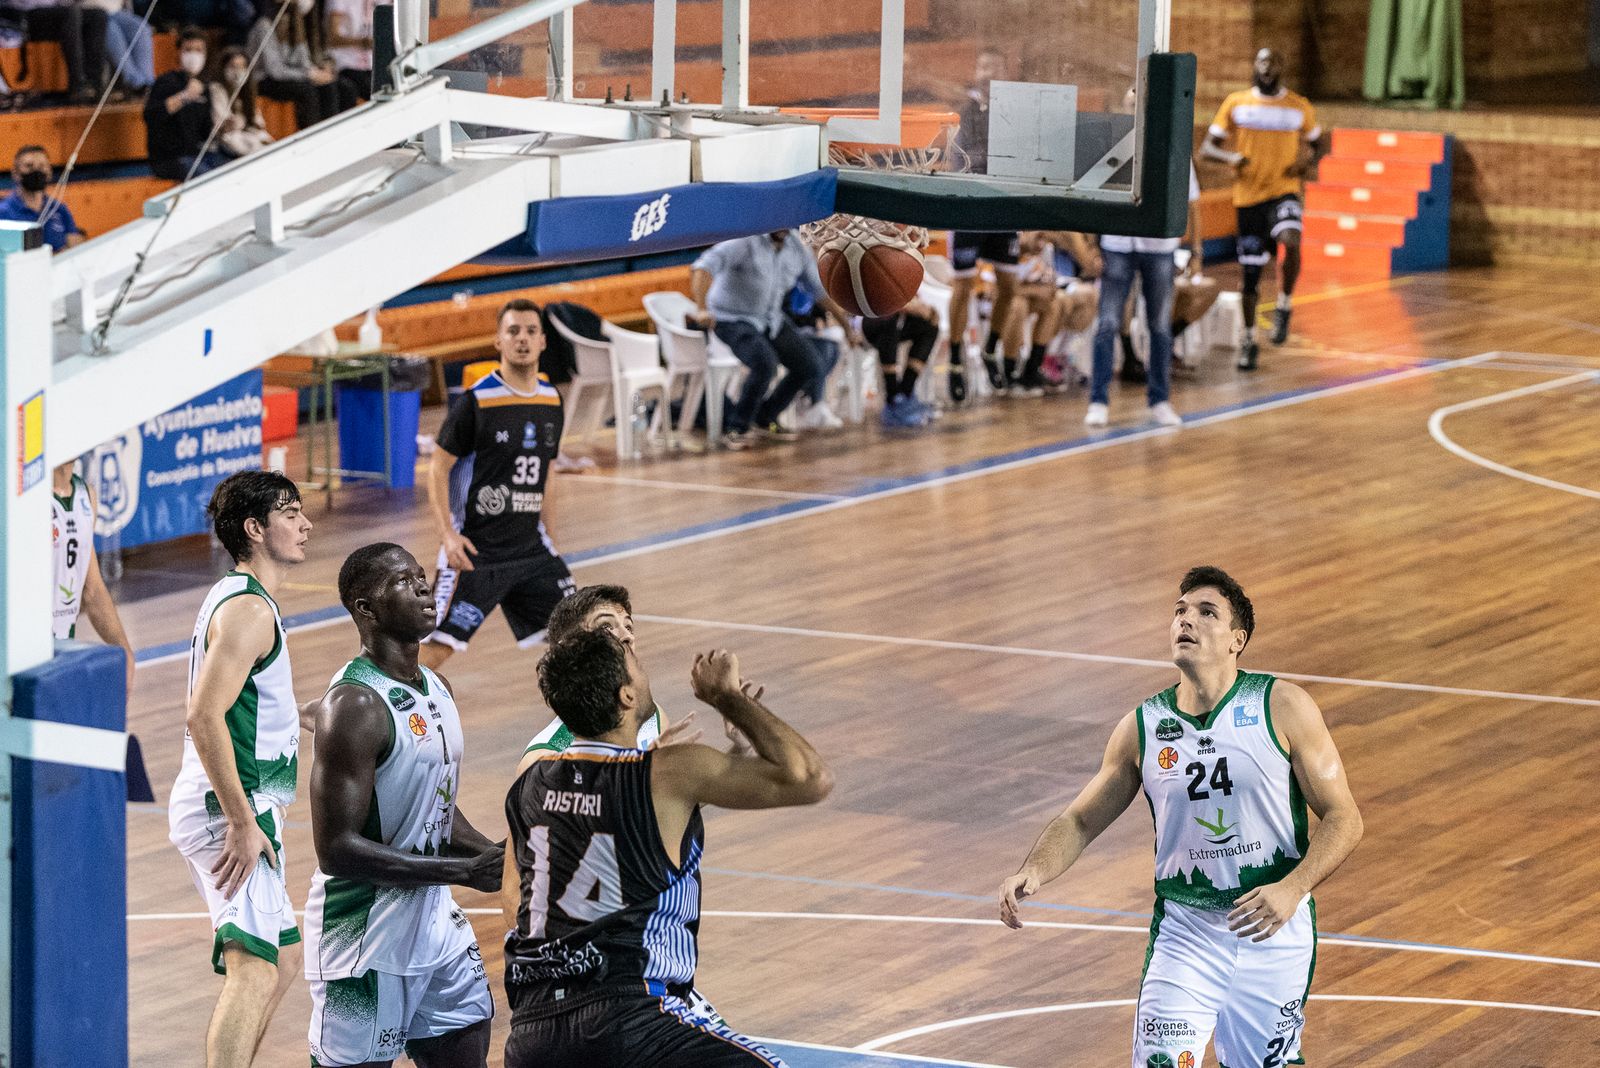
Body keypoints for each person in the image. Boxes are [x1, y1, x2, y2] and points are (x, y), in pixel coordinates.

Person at [998, 566, 1363, 1068]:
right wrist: (1033, 868)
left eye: (1205, 612)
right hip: (1187, 930)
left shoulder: (1282, 707)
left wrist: (1293, 887)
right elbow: (1080, 820)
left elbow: (1345, 816)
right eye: (1180, 611)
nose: (1186, 620)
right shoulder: (1143, 726)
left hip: (1272, 930)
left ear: (1238, 639)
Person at [501, 634, 831, 1066]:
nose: (641, 660)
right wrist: (729, 699)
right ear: (627, 694)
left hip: (532, 1031)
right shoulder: (667, 772)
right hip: (630, 1018)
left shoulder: (530, 784)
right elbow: (810, 778)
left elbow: (615, 820)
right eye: (634, 659)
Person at [303, 542, 503, 1067]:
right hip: (363, 937)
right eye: (402, 580)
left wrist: (501, 856)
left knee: (469, 1046)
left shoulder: (438, 686)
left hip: (435, 926)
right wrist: (460, 870)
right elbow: (337, 849)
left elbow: (433, 807)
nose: (422, 584)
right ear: (365, 609)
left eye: (420, 574)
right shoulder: (354, 705)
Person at [167, 470, 316, 1068]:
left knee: (281, 962)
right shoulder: (251, 610)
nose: (306, 524)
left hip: (238, 803)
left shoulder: (240, 596)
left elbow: (240, 703)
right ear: (255, 528)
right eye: (290, 513)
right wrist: (239, 819)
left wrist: (296, 719)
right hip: (229, 807)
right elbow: (203, 715)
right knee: (255, 970)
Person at [422, 299, 573, 673]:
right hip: (476, 551)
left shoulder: (552, 399)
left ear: (542, 342)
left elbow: (547, 472)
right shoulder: (477, 402)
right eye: (513, 331)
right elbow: (437, 468)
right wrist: (447, 535)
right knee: (433, 652)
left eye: (530, 331)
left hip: (531, 551)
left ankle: (587, 726)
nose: (522, 339)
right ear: (498, 341)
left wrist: (551, 538)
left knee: (579, 638)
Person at [1202, 48, 1323, 371]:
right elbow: (1207, 147)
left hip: (1283, 191)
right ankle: (1249, 339)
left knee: (1291, 238)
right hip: (1248, 198)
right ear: (1255, 67)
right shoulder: (1237, 103)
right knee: (1251, 277)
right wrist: (1231, 158)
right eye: (1262, 62)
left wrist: (1306, 161)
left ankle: (1284, 304)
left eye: (1273, 62)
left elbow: (1318, 143)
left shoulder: (1298, 106)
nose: (1267, 67)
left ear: (1282, 68)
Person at [689, 230, 861, 449]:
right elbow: (702, 267)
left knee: (811, 365)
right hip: (730, 318)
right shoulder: (744, 242)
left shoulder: (796, 247)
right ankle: (736, 427)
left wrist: (847, 328)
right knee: (765, 364)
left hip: (770, 320)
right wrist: (701, 309)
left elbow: (819, 292)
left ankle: (765, 416)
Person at [1084, 165, 1202, 429]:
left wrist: (1196, 250)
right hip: (1117, 242)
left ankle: (1160, 400)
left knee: (1160, 326)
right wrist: (1092, 244)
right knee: (1107, 323)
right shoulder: (1116, 136)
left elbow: (1192, 201)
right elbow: (1094, 194)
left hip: (1160, 245)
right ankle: (1098, 401)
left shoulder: (1176, 148)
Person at [946, 47, 1023, 400]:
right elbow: (955, 157)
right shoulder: (965, 107)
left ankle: (991, 347)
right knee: (962, 287)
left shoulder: (1015, 109)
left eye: (993, 65)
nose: (986, 70)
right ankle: (957, 359)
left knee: (1009, 285)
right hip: (969, 205)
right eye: (981, 64)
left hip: (1003, 206)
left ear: (1005, 71)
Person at [50, 459, 134, 694]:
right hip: (22, 650)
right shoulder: (28, 498)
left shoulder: (86, 495)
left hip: (62, 646)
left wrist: (123, 650)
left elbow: (92, 589)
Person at [249, 0, 355, 131]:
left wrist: (317, 73)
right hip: (265, 79)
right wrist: (308, 74)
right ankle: (312, 135)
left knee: (340, 86)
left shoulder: (296, 26)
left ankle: (338, 131)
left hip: (292, 75)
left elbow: (303, 61)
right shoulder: (264, 26)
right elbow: (275, 71)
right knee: (307, 90)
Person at [144, 28, 229, 180]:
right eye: (188, 50)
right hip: (168, 159)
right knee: (209, 178)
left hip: (196, 155)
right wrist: (184, 96)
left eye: (198, 50)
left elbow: (205, 132)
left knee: (232, 171)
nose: (193, 55)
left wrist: (223, 128)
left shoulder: (204, 87)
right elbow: (151, 115)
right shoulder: (166, 81)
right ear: (179, 52)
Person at [0, 0, 108, 102]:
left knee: (97, 15)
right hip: (25, 14)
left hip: (54, 10)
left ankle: (94, 84)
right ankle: (77, 85)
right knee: (70, 14)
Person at [862, 299, 939, 427]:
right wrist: (908, 307)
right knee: (889, 319)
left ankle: (905, 392)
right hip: (866, 319)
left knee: (930, 325)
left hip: (898, 317)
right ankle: (892, 398)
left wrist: (924, 308)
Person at [0, 145, 82, 250]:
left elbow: (74, 251)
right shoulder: (3, 212)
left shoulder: (59, 209)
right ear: (15, 173)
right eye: (29, 166)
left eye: (42, 166)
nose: (36, 171)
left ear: (49, 172)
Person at [210, 46, 274, 159]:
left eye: (242, 67)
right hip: (225, 146)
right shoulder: (216, 89)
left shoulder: (247, 93)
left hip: (245, 141)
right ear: (223, 68)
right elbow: (225, 129)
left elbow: (257, 124)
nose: (237, 72)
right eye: (233, 66)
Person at [87, 0, 153, 97]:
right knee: (113, 31)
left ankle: (149, 82)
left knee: (142, 29)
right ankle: (136, 83)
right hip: (91, 11)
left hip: (116, 11)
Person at [323, 0, 373, 105]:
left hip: (372, 64)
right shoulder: (338, 3)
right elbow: (332, 38)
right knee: (374, 89)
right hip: (346, 63)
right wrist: (362, 42)